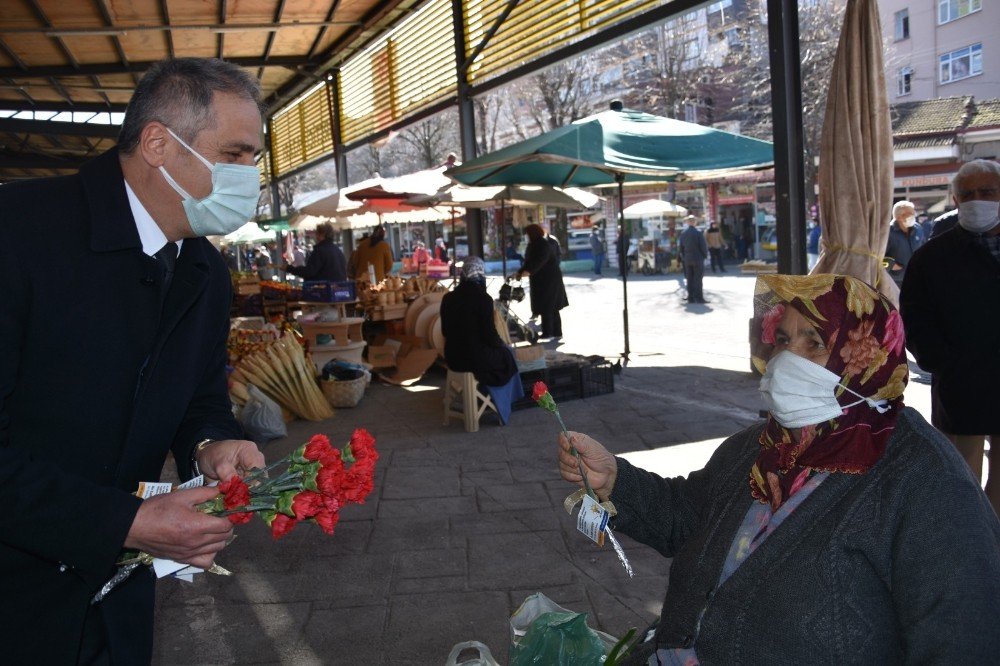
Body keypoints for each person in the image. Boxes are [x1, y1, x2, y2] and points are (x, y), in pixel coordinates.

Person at [556, 274, 1000, 663]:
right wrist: (617, 479)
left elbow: (962, 638)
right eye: (784, 340)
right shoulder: (766, 442)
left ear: (867, 354)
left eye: (816, 343)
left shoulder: (924, 479)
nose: (788, 359)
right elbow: (689, 517)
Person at [0, 57, 267, 664]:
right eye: (236, 153)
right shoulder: (17, 235)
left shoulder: (203, 271)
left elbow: (199, 397)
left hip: (116, 599)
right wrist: (121, 521)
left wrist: (211, 443)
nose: (251, 176)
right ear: (157, 143)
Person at [900, 158, 1000, 516]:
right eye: (967, 194)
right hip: (962, 385)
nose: (977, 200)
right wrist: (941, 361)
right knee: (960, 478)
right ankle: (967, 551)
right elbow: (914, 317)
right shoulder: (932, 258)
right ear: (955, 200)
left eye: (987, 191)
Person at [440, 256, 523, 423]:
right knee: (508, 356)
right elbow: (490, 336)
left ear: (464, 274)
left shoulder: (447, 298)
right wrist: (503, 345)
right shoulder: (483, 299)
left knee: (498, 355)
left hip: (453, 358)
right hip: (475, 359)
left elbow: (445, 331)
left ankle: (483, 398)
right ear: (480, 274)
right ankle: (503, 403)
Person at [516, 224, 568, 340]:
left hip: (549, 280)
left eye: (528, 234)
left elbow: (539, 261)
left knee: (549, 306)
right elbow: (529, 262)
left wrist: (528, 271)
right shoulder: (533, 244)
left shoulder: (543, 245)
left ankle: (549, 332)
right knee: (550, 306)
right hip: (540, 280)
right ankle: (555, 332)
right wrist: (520, 272)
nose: (526, 236)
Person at [884, 199, 925, 286]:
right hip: (896, 281)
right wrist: (894, 266)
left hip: (917, 277)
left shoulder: (918, 229)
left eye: (914, 213)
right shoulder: (887, 233)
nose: (914, 216)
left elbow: (924, 248)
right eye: (911, 214)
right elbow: (879, 256)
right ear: (899, 217)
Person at [678, 215, 708, 303]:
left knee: (689, 278)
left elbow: (681, 248)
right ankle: (699, 297)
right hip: (698, 258)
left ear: (687, 223)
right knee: (698, 279)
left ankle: (690, 297)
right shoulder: (698, 233)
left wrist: (683, 257)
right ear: (695, 222)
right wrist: (704, 256)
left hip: (687, 258)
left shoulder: (683, 233)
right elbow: (703, 246)